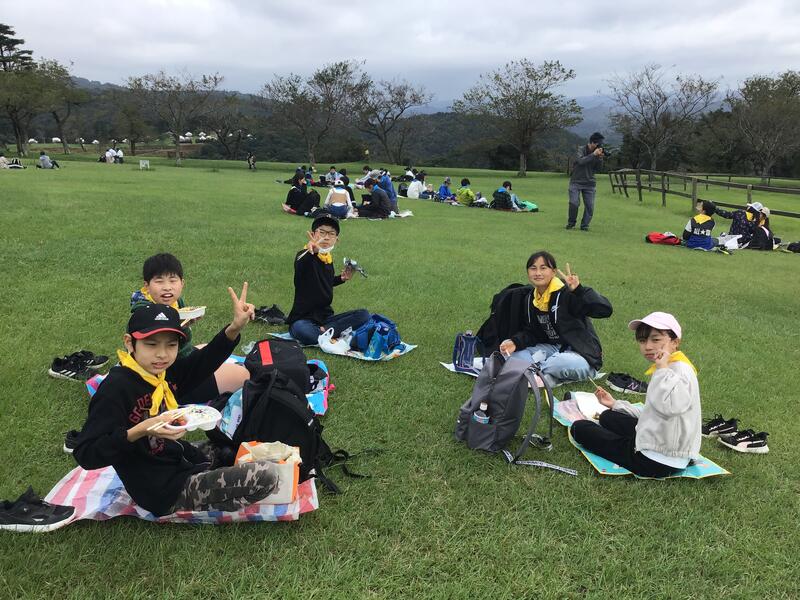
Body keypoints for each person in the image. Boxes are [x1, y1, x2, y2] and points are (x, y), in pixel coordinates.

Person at [73, 290, 282, 516]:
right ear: (130, 343)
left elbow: (203, 361)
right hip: (163, 491)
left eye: (171, 345)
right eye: (151, 344)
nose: (162, 354)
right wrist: (140, 430)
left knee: (236, 446)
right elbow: (86, 453)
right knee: (267, 475)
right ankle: (211, 498)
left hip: (179, 458)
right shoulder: (116, 389)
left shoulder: (161, 373)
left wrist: (234, 327)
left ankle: (209, 472)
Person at [570, 312, 701, 478]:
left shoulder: (675, 371)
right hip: (665, 442)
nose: (648, 346)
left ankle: (629, 447)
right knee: (608, 416)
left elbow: (669, 409)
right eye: (642, 340)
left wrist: (662, 370)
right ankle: (617, 422)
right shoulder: (674, 364)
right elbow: (652, 411)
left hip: (656, 460)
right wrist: (615, 404)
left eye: (655, 339)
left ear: (675, 342)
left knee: (580, 428)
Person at [130, 253, 250, 397]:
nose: (167, 287)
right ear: (147, 286)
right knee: (242, 374)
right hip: (169, 379)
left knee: (207, 347)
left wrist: (236, 326)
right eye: (159, 281)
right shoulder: (144, 314)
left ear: (182, 283)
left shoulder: (176, 303)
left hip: (179, 363)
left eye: (172, 280)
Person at [497, 251, 613, 387]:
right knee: (509, 349)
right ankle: (543, 377)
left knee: (559, 362)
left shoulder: (567, 293)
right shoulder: (531, 298)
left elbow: (605, 310)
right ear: (528, 272)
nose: (538, 273)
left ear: (553, 272)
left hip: (579, 353)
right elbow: (533, 333)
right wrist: (515, 342)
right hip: (552, 349)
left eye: (543, 268)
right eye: (533, 268)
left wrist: (579, 291)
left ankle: (531, 372)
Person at [287, 215, 370, 346]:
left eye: (331, 234)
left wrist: (341, 278)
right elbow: (301, 263)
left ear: (336, 239)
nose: (326, 237)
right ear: (313, 234)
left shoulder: (327, 258)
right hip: (304, 318)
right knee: (301, 330)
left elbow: (325, 282)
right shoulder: (305, 255)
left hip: (326, 318)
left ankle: (326, 331)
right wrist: (311, 250)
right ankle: (331, 334)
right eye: (322, 232)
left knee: (364, 315)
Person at [567, 132, 605, 231]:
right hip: (576, 181)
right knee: (574, 203)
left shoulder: (597, 153)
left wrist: (600, 158)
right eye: (598, 144)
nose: (599, 146)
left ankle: (584, 225)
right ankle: (571, 223)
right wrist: (593, 154)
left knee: (590, 206)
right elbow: (581, 161)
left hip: (590, 183)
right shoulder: (580, 150)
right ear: (592, 142)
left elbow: (599, 169)